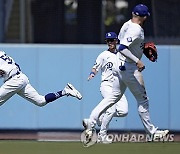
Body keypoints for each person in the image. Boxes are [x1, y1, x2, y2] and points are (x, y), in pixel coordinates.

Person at [82, 4, 169, 146]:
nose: (146, 17)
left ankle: (91, 121)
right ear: (143, 16)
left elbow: (125, 44)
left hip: (119, 66)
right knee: (143, 100)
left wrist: (140, 48)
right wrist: (138, 60)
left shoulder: (127, 24)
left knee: (112, 98)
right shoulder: (136, 29)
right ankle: (152, 133)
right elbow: (122, 47)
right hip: (128, 67)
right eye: (146, 15)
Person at [0, 50, 82, 107]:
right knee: (41, 101)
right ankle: (65, 91)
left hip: (14, 80)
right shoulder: (2, 53)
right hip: (20, 78)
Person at [87, 32, 128, 143]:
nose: (109, 42)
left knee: (124, 111)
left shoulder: (122, 54)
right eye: (108, 40)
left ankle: (101, 116)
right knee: (111, 108)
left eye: (112, 40)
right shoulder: (103, 55)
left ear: (116, 41)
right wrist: (92, 73)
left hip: (119, 86)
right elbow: (95, 67)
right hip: (107, 85)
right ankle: (102, 134)